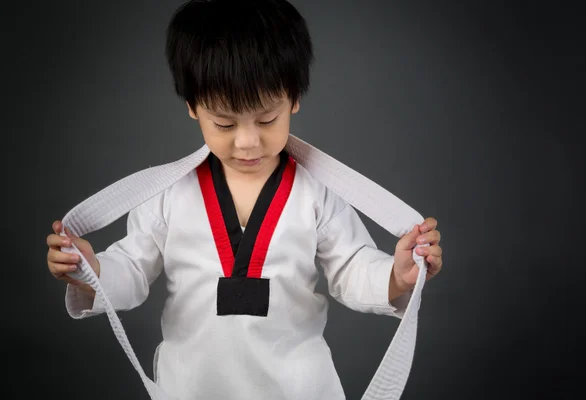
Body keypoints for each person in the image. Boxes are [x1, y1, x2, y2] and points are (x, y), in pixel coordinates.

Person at [46, 1, 443, 399]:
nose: (248, 141)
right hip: (190, 388)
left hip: (301, 388)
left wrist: (397, 275)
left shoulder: (317, 189)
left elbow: (352, 266)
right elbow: (131, 268)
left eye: (268, 119)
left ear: (294, 98)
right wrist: (91, 269)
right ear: (191, 106)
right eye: (224, 123)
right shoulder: (166, 193)